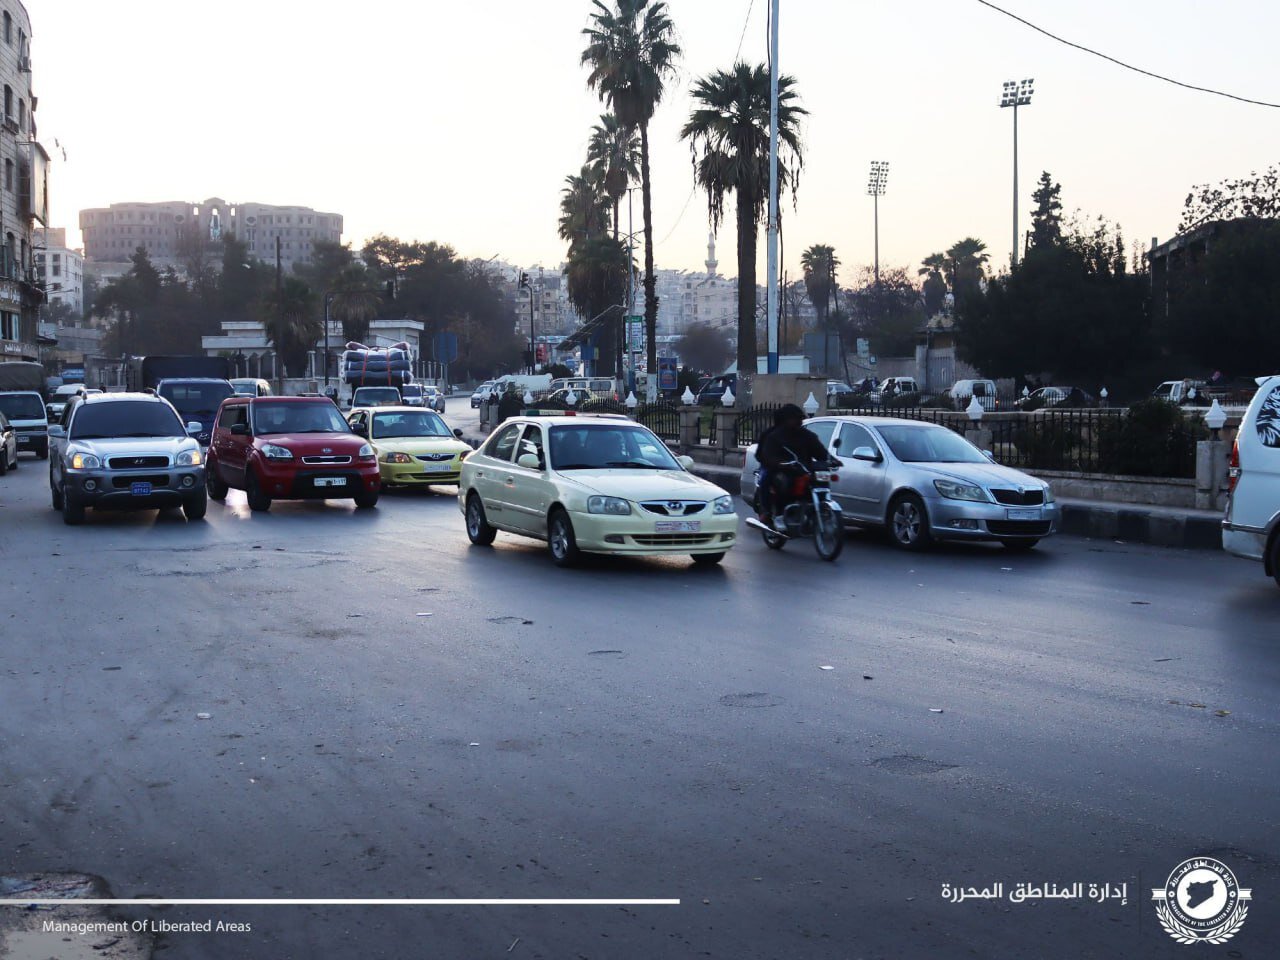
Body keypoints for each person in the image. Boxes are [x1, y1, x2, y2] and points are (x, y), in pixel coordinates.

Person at [755, 403, 830, 528]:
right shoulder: (772, 436)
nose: (799, 422)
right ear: (785, 420)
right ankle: (769, 512)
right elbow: (764, 455)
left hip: (802, 469)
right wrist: (779, 463)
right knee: (773, 480)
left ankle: (819, 509)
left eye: (800, 419)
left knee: (819, 479)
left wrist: (830, 460)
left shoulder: (807, 435)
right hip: (778, 469)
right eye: (795, 419)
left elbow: (820, 451)